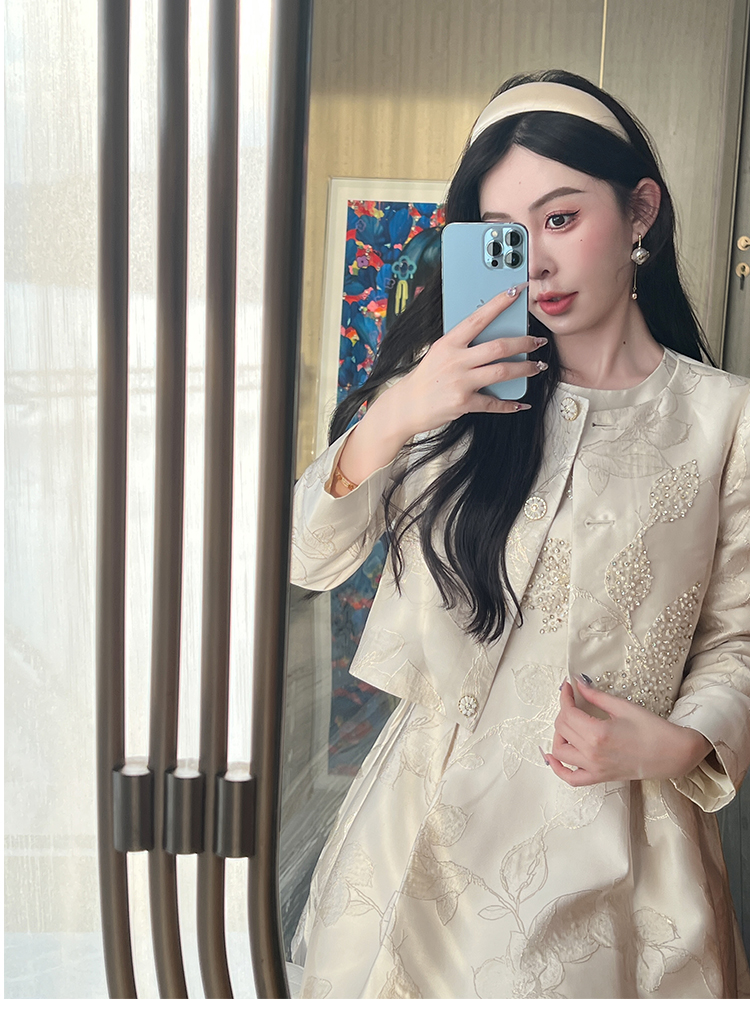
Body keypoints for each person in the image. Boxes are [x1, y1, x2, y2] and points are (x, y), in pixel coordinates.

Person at [289, 69, 750, 999]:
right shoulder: (446, 396)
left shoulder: (723, 418)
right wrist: (398, 410)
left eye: (561, 218)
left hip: (623, 849)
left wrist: (681, 745)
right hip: (417, 838)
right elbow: (310, 554)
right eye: (504, 233)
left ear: (640, 211)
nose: (534, 263)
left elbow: (737, 634)